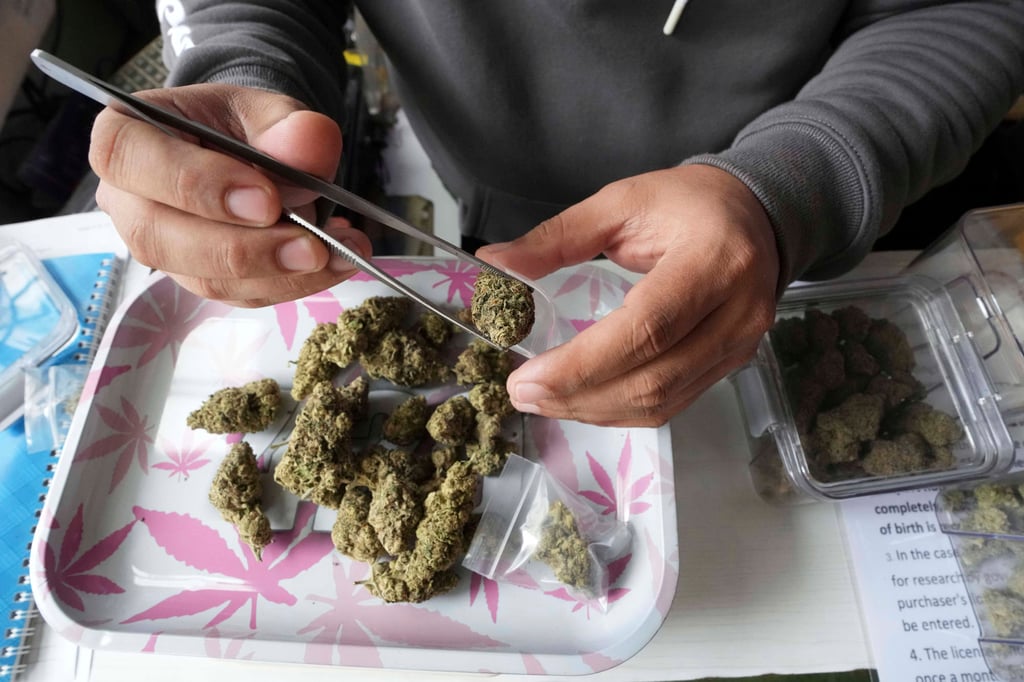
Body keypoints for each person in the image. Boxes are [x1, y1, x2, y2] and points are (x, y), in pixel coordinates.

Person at [89, 1, 1024, 427]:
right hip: (485, 195)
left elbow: (963, 10)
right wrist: (241, 81)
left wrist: (788, 189)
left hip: (791, 229)